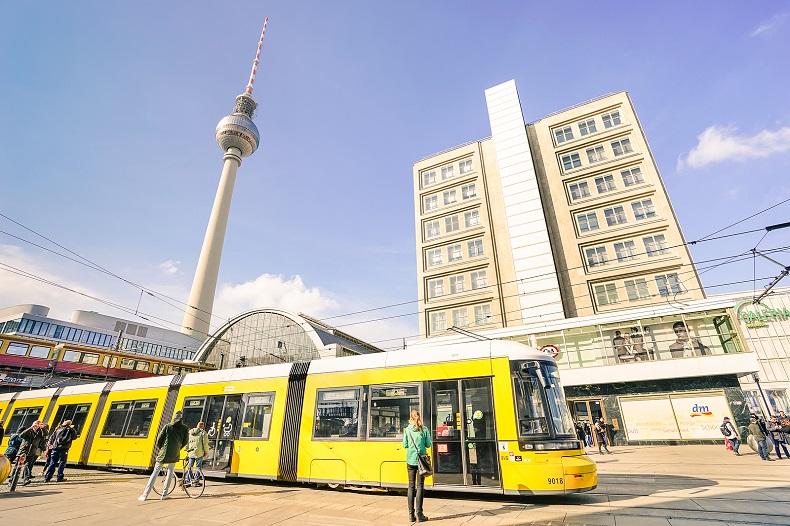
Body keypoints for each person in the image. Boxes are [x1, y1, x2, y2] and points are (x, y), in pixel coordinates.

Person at [138, 410, 189, 501]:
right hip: (174, 453)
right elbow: (185, 441)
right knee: (170, 473)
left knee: (155, 473)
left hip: (163, 453)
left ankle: (145, 495)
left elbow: (159, 440)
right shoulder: (184, 428)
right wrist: (177, 448)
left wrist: (162, 448)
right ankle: (164, 494)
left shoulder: (167, 426)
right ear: (181, 418)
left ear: (174, 417)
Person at [402, 409, 431, 523]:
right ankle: (419, 514)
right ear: (419, 417)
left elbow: (404, 445)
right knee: (420, 486)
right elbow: (428, 444)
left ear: (411, 417)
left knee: (411, 486)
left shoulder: (407, 430)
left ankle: (411, 515)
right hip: (421, 462)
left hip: (410, 460)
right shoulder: (424, 429)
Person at [19, 421, 49, 486]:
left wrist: (43, 428)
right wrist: (30, 427)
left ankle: (26, 479)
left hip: (32, 451)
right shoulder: (29, 430)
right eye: (35, 424)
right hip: (24, 450)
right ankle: (11, 481)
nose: (36, 426)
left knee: (28, 465)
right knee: (18, 465)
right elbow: (21, 435)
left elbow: (46, 434)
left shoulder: (40, 432)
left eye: (38, 425)